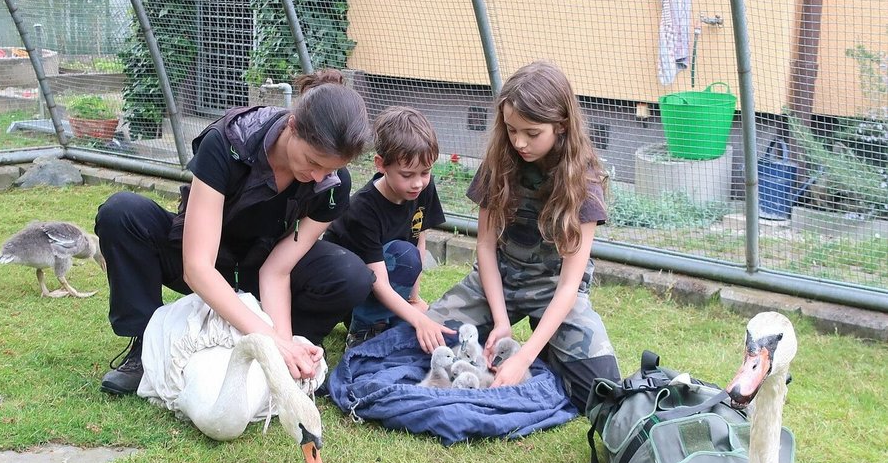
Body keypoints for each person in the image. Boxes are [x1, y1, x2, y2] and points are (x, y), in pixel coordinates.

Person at [95, 70, 375, 395]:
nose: (318, 177)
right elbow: (197, 267)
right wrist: (270, 339)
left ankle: (294, 349)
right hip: (206, 260)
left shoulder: (332, 185)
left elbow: (277, 270)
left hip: (261, 270)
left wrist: (279, 342)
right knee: (123, 213)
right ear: (293, 125)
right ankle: (146, 348)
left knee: (350, 273)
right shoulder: (228, 143)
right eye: (313, 162)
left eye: (330, 168)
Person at [426, 60, 620, 414]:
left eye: (532, 133)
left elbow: (568, 287)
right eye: (512, 130)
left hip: (553, 289)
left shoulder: (585, 181)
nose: (519, 142)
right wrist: (501, 322)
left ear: (561, 127)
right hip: (499, 278)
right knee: (427, 339)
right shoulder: (499, 160)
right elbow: (484, 247)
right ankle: (523, 341)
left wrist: (524, 355)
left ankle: (542, 348)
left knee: (602, 389)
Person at [323, 106, 455, 353]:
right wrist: (419, 320)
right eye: (407, 174)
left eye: (425, 172)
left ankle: (388, 319)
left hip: (383, 280)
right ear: (381, 164)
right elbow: (378, 282)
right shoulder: (363, 209)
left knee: (408, 254)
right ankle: (363, 331)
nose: (417, 183)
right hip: (347, 294)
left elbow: (419, 242)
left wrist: (414, 301)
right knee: (403, 255)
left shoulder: (423, 189)